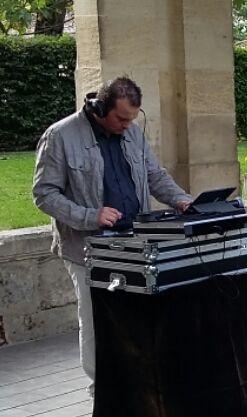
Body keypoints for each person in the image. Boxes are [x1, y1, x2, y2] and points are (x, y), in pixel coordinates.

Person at [32, 76, 192, 393]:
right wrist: (91, 215)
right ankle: (102, 386)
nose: (126, 125)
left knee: (136, 314)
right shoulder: (60, 136)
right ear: (99, 107)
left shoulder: (132, 131)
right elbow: (44, 194)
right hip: (87, 247)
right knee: (95, 319)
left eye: (132, 118)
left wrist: (181, 199)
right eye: (120, 118)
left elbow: (154, 174)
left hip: (134, 242)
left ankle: (135, 379)